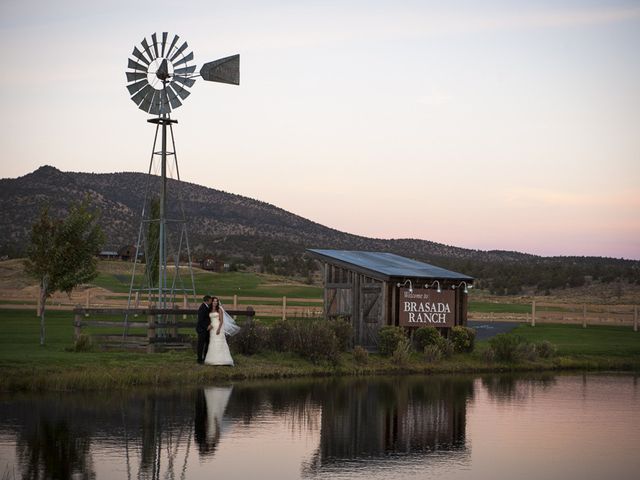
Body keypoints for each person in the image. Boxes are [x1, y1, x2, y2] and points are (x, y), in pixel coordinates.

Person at [204, 296, 234, 366]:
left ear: (217, 302)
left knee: (220, 342)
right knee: (212, 342)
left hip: (218, 327)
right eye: (214, 301)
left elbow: (221, 321)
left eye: (216, 301)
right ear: (212, 302)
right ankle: (212, 359)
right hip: (212, 328)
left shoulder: (219, 309)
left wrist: (218, 329)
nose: (215, 302)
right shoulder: (210, 309)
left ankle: (222, 360)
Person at [196, 295, 213, 364]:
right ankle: (199, 359)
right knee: (201, 345)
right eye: (210, 300)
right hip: (202, 329)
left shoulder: (207, 307)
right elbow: (201, 320)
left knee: (207, 343)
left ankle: (205, 357)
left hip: (206, 330)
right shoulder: (202, 308)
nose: (211, 302)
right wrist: (206, 326)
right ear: (207, 301)